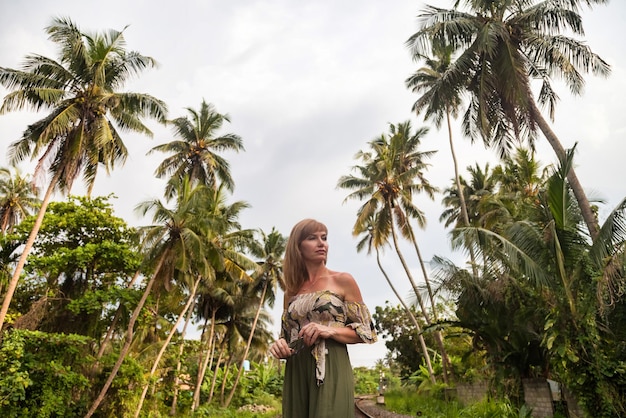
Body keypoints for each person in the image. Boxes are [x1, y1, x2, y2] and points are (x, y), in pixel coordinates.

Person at [269, 218, 377, 418]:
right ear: (298, 247)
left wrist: (329, 330)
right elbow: (287, 337)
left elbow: (366, 332)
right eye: (312, 238)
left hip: (331, 364)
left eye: (324, 238)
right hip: (296, 369)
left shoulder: (343, 280)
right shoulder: (291, 291)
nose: (321, 243)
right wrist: (280, 346)